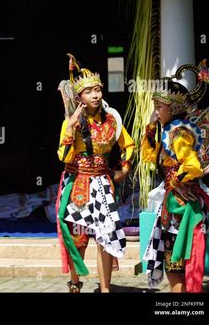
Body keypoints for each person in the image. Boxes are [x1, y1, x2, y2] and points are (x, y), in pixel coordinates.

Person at [55, 53, 135, 293]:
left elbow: (128, 145)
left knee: (106, 238)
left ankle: (106, 288)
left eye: (98, 90)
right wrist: (71, 128)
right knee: (79, 238)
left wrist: (124, 168)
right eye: (89, 92)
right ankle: (75, 282)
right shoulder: (72, 122)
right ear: (79, 97)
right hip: (79, 184)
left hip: (103, 184)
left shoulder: (112, 120)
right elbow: (63, 156)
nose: (95, 95)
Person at [142, 60, 209, 293]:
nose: (156, 112)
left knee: (176, 267)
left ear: (173, 108)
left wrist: (175, 182)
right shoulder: (168, 131)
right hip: (175, 204)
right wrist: (150, 128)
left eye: (159, 107)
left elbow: (193, 166)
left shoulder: (179, 134)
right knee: (174, 265)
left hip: (182, 208)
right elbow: (148, 157)